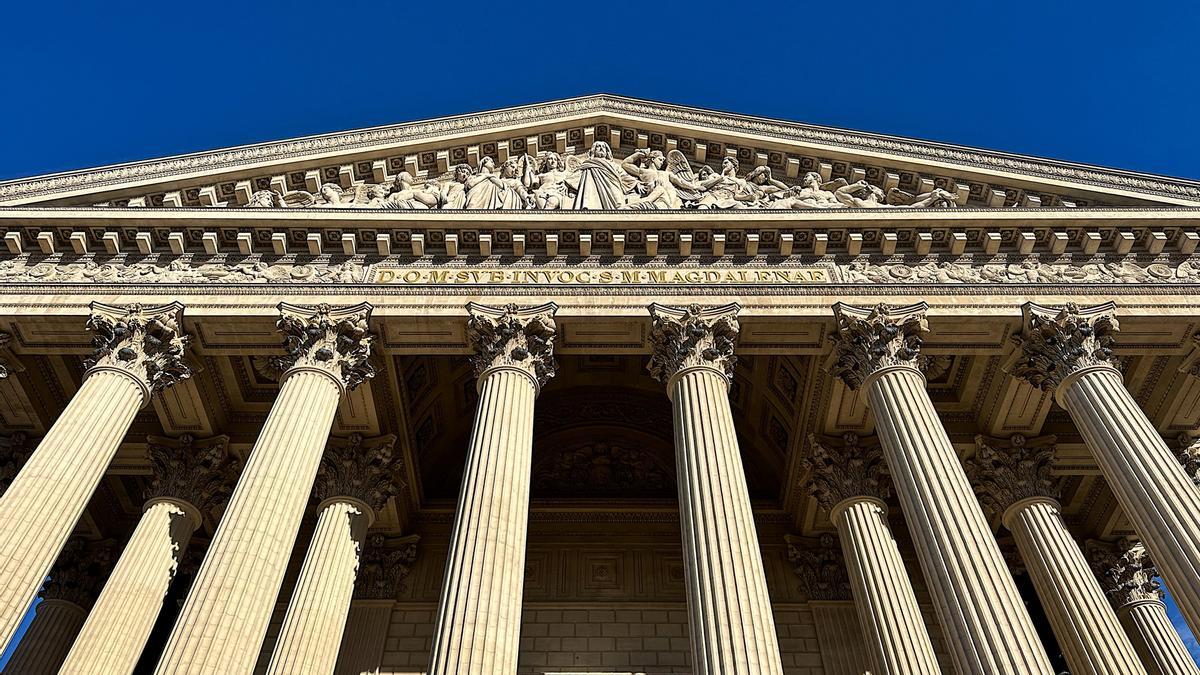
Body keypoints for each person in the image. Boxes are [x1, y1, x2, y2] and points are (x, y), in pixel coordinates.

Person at [569, 141, 637, 209]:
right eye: (598, 146)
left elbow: (624, 176)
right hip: (592, 187)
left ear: (607, 151)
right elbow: (576, 176)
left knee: (619, 207)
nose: (601, 148)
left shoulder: (613, 165)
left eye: (603, 147)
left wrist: (636, 183)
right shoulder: (588, 164)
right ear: (593, 151)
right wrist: (566, 185)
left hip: (613, 187)